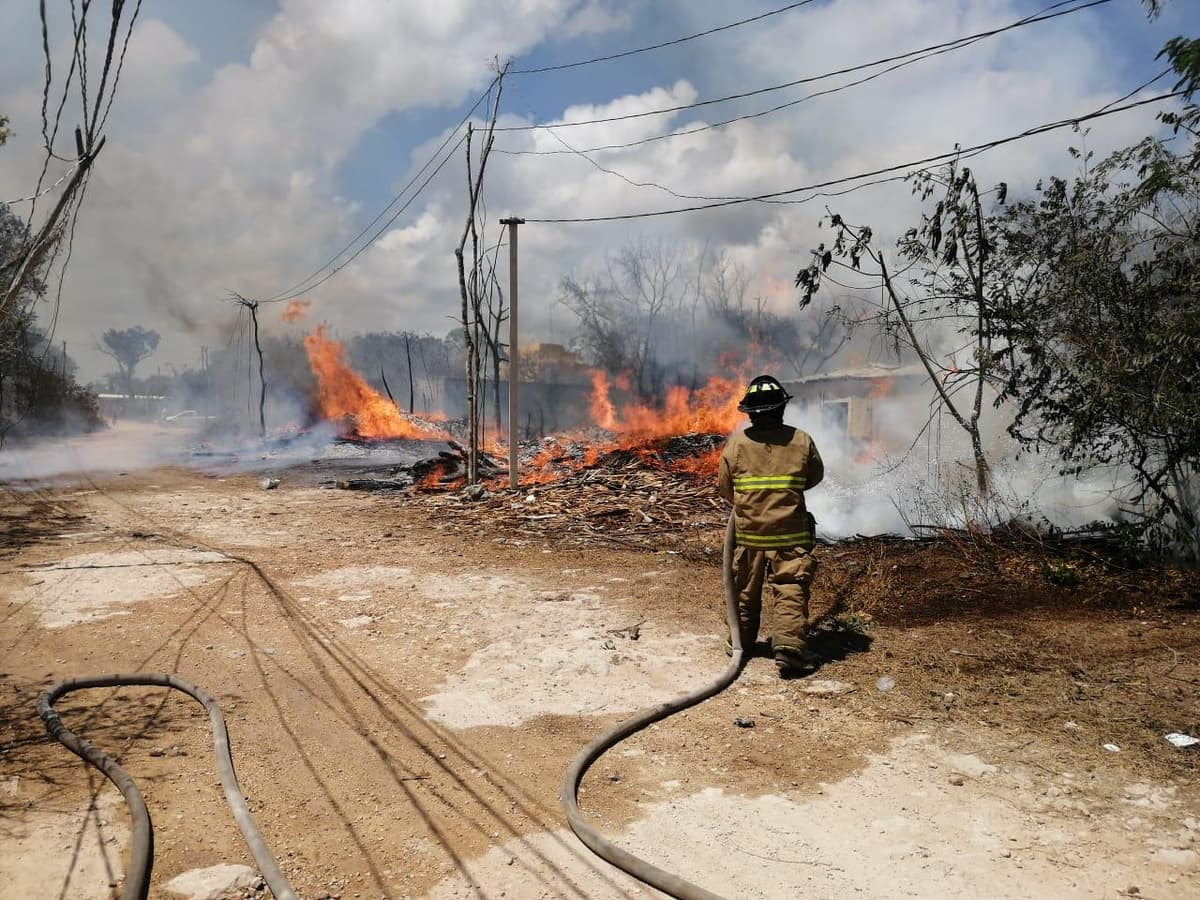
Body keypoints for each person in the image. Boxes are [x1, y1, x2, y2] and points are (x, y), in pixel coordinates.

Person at [718, 375, 824, 677]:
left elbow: (725, 488)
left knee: (744, 591)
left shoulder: (737, 443)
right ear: (781, 409)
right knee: (790, 588)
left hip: (750, 534)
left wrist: (750, 503)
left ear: (750, 413)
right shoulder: (801, 440)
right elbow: (814, 477)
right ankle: (789, 649)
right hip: (791, 533)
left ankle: (741, 642)